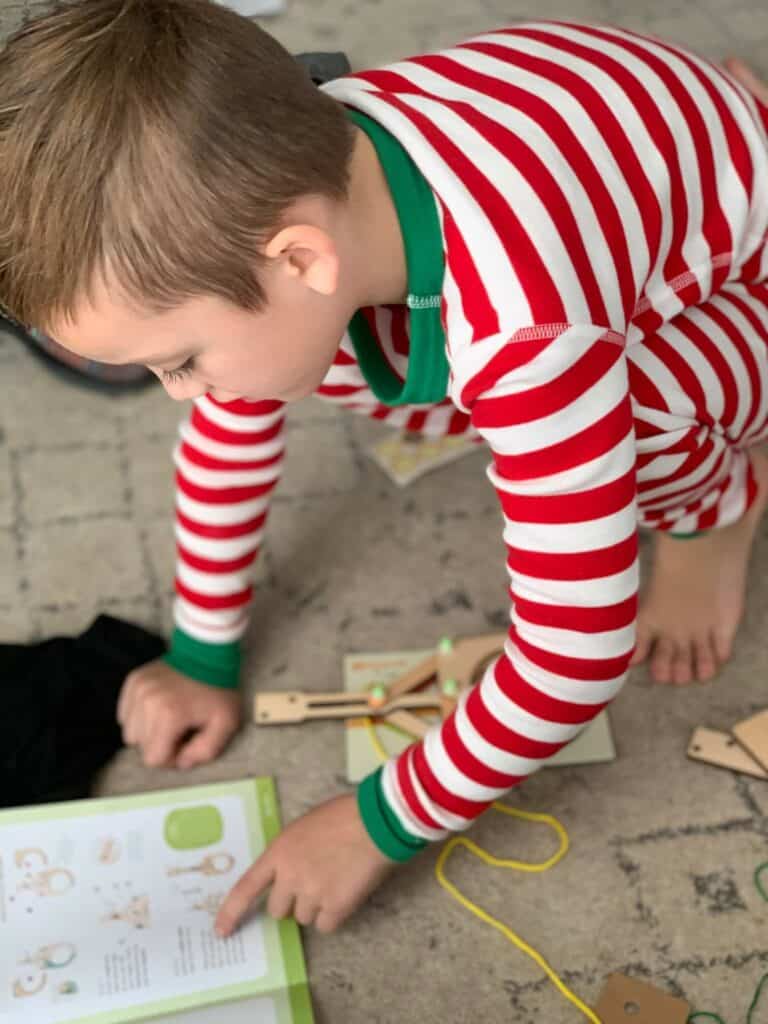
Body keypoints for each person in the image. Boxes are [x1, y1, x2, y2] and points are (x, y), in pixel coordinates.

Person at [2, 0, 768, 937]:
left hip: (738, 269)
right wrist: (203, 650)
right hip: (634, 135)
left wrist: (377, 822)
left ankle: (717, 514)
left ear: (300, 257)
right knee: (316, 359)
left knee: (624, 409)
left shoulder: (530, 330)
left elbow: (575, 652)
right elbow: (228, 429)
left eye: (179, 360)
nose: (175, 394)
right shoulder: (308, 144)